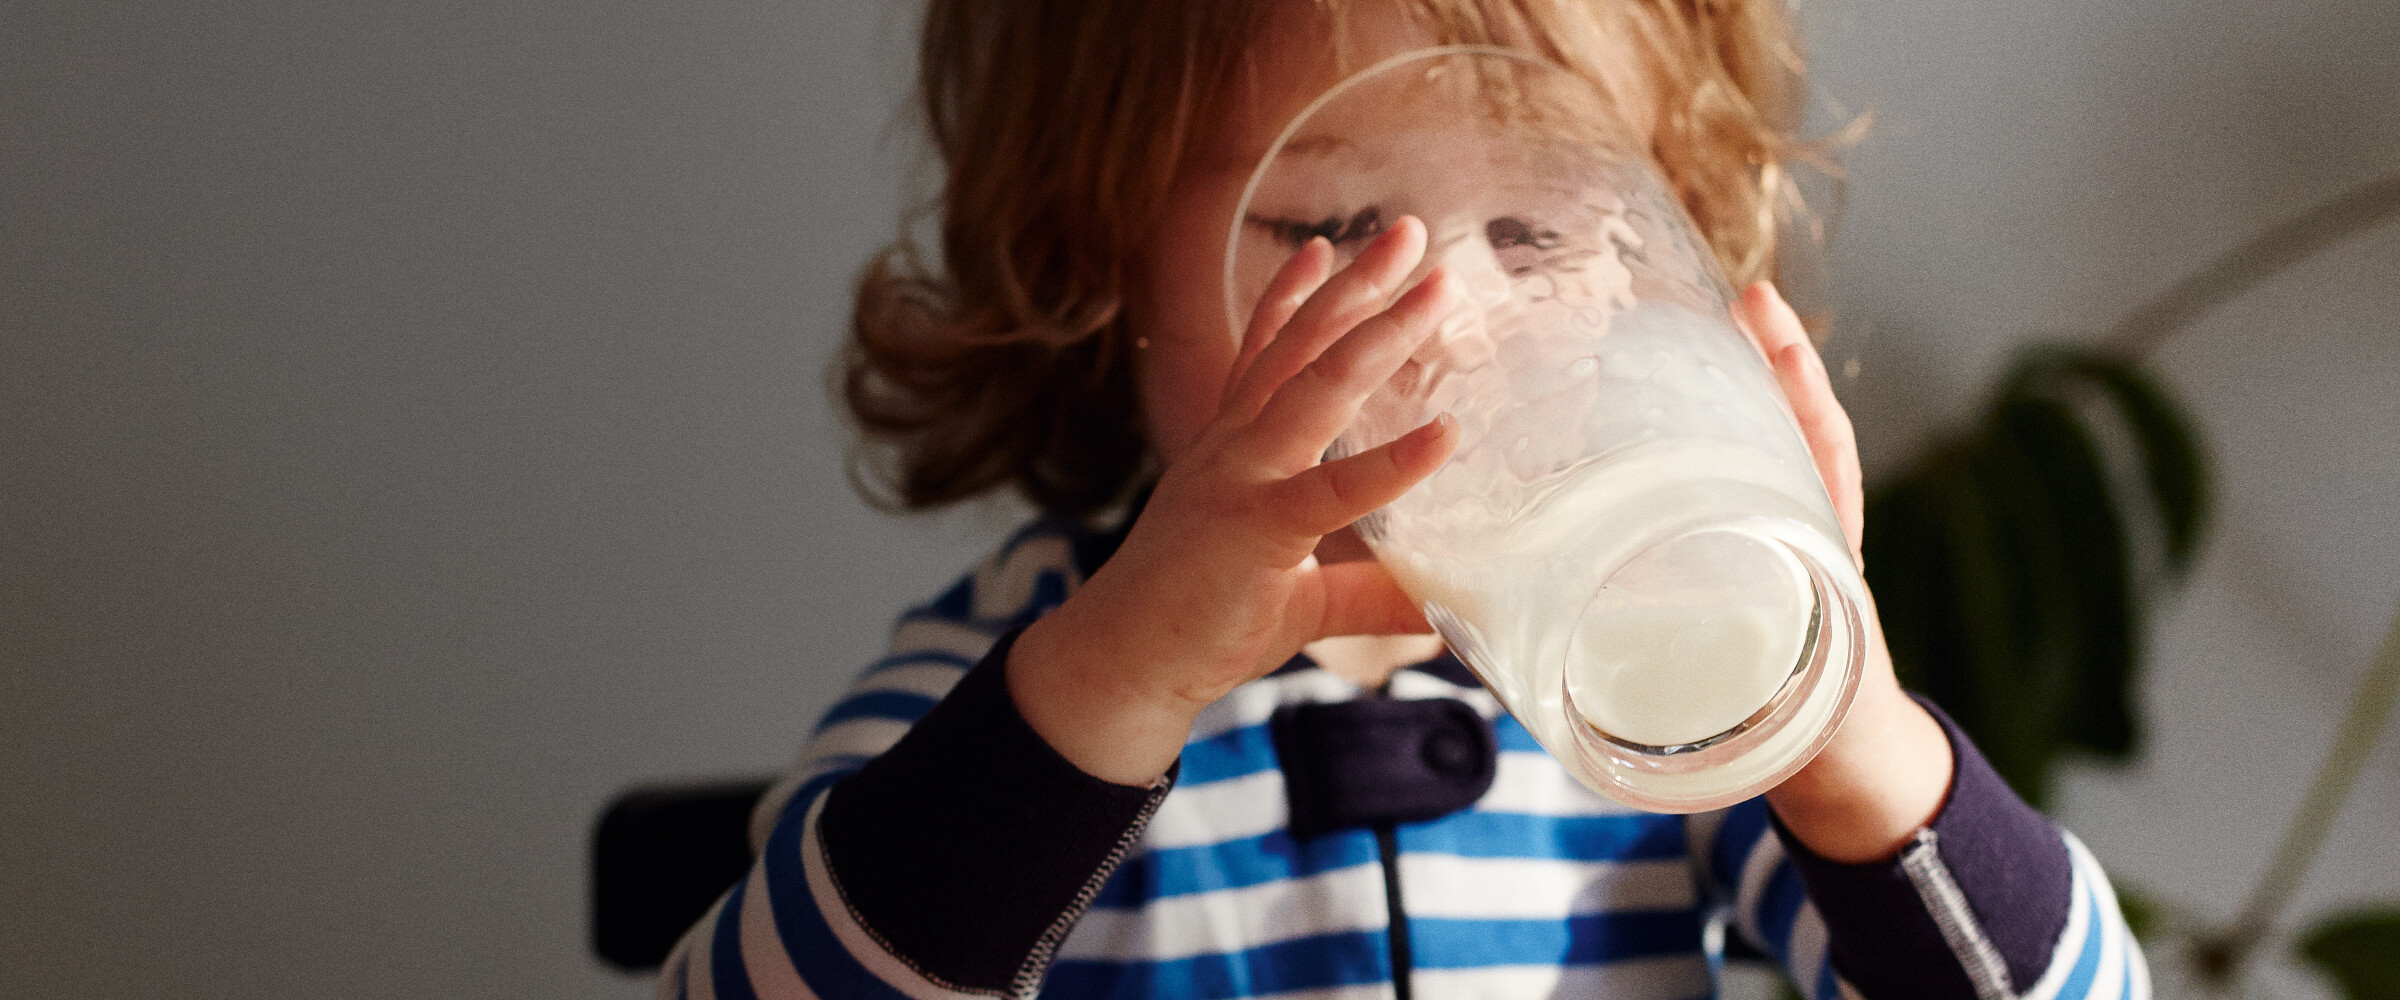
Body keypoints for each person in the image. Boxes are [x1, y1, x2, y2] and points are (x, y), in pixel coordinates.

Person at [660, 2, 2148, 998]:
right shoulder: (1022, 677)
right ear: (1091, 253)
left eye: (1541, 221)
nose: (1457, 316)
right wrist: (1108, 687)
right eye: (1337, 226)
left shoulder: (1659, 664)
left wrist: (1847, 743)